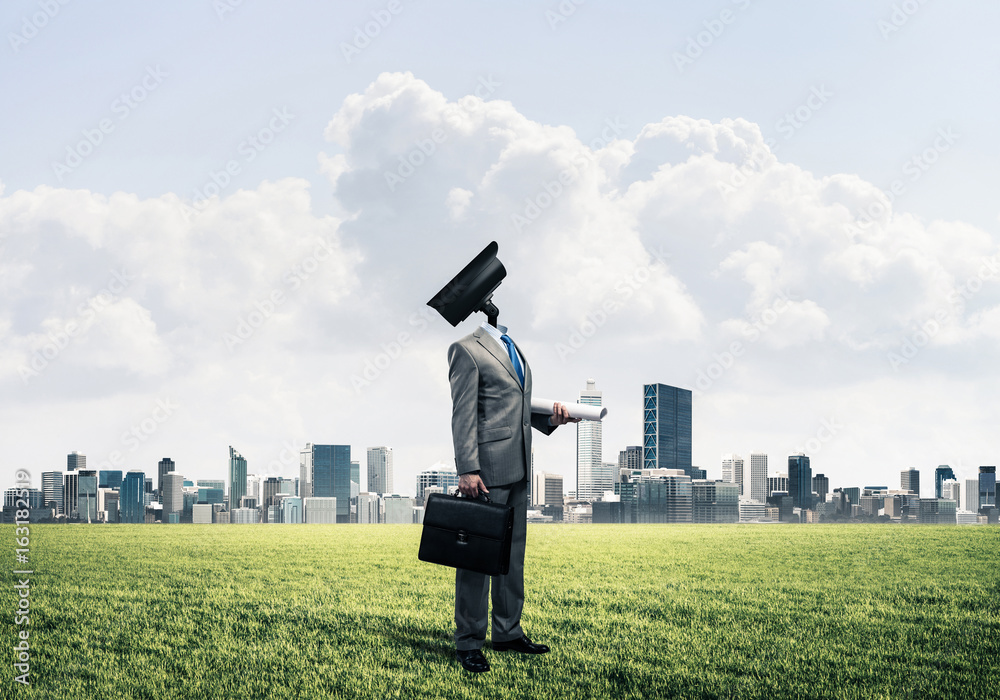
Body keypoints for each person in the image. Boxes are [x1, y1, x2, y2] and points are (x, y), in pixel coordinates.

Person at [447, 317, 579, 674]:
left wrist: (551, 420)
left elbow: (515, 406)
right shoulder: (466, 349)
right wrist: (467, 468)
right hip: (485, 471)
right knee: (476, 561)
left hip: (518, 466)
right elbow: (463, 413)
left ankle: (507, 632)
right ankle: (469, 642)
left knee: (511, 558)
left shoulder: (512, 347)